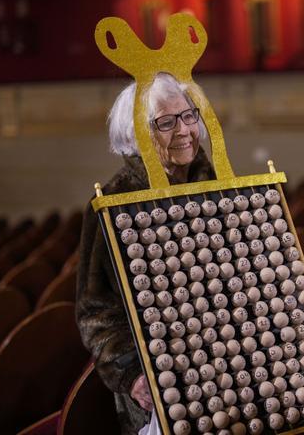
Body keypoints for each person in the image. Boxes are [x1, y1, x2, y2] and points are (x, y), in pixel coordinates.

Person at [76, 72, 215, 434]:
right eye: (166, 123)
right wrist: (132, 375)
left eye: (188, 116)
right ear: (137, 134)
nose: (184, 130)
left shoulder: (216, 185)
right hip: (160, 383)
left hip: (225, 366)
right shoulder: (112, 204)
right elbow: (96, 312)